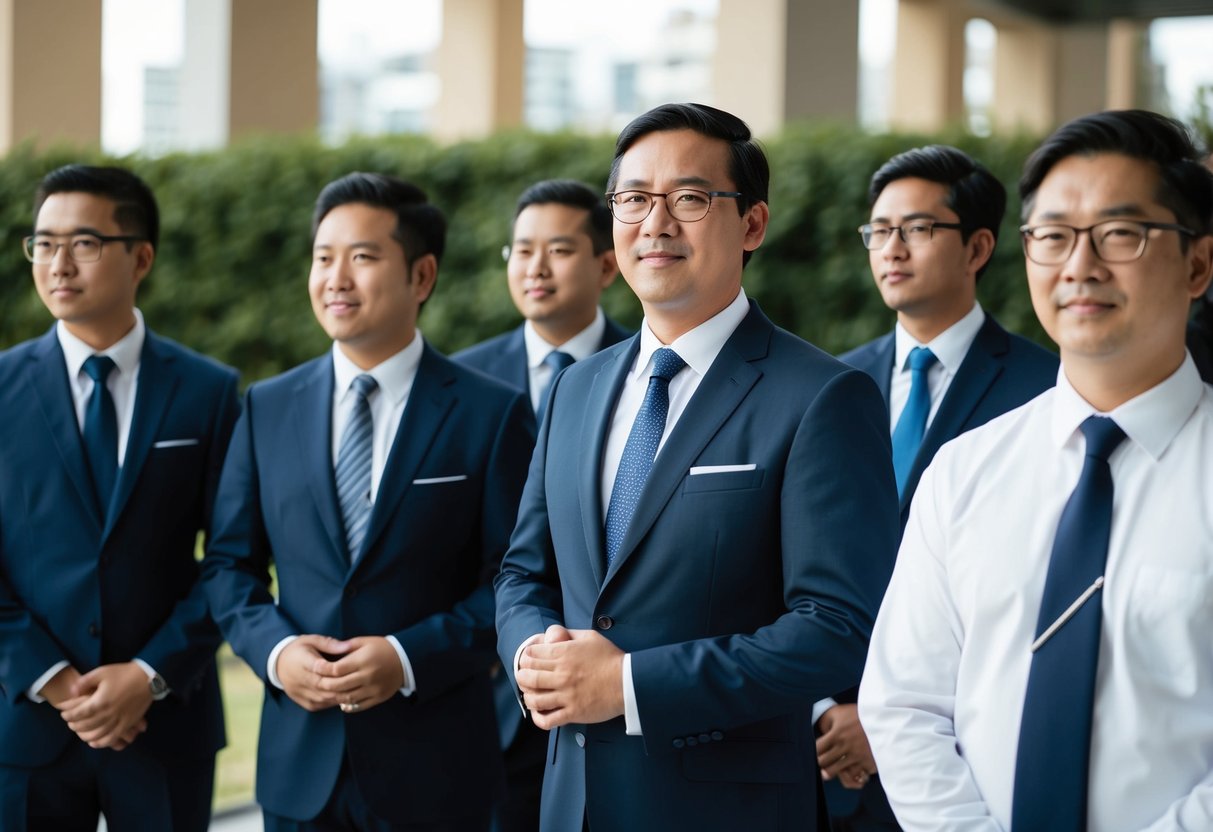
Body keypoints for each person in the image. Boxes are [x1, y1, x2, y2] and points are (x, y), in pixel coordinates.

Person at [495, 102, 899, 831]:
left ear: (751, 225)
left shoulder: (822, 396)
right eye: (633, 199)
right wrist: (531, 650)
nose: (655, 223)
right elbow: (525, 570)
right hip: (572, 802)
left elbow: (836, 626)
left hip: (724, 807)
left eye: (687, 198)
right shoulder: (575, 388)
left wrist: (629, 684)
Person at [859, 109, 1213, 831]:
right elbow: (903, 705)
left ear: (1198, 265)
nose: (1079, 266)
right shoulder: (963, 474)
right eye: (1052, 237)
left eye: (1120, 233)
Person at [202, 172, 535, 831]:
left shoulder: (490, 414)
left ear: (421, 275)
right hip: (300, 769)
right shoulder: (268, 407)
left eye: (361, 257)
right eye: (323, 258)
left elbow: (514, 578)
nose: (335, 277)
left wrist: (407, 658)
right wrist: (276, 655)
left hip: (438, 771)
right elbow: (227, 565)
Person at [816, 146, 1057, 831]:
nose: (890, 248)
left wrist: (890, 719)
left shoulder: (1045, 390)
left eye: (917, 229)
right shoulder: (831, 387)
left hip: (968, 759)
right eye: (877, 230)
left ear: (977, 246)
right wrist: (827, 709)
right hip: (822, 751)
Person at [0, 165, 240, 831]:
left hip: (165, 725)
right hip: (25, 725)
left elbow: (232, 557)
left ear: (140, 256)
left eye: (82, 243)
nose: (57, 263)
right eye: (42, 244)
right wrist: (50, 678)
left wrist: (148, 675)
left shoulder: (208, 391)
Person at [453, 178, 632, 832]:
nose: (534, 267)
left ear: (605, 264)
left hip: (608, 684)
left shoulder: (645, 375)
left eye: (557, 249)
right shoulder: (460, 385)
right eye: (521, 249)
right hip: (480, 697)